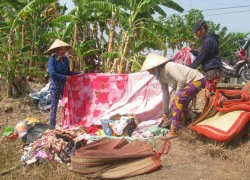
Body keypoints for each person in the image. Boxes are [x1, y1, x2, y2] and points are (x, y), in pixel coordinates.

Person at [141, 53, 205, 138]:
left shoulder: (169, 66)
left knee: (178, 99)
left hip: (197, 80)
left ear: (154, 67)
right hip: (188, 84)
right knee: (178, 104)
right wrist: (165, 111)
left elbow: (182, 80)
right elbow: (165, 92)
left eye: (149, 69)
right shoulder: (160, 76)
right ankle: (184, 125)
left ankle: (174, 131)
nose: (149, 72)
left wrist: (176, 96)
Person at [47, 39, 79, 128]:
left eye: (64, 49)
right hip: (55, 86)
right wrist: (64, 77)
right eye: (62, 49)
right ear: (56, 50)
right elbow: (52, 74)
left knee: (66, 104)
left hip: (64, 86)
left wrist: (79, 73)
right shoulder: (52, 60)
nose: (64, 51)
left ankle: (67, 122)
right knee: (54, 105)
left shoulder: (65, 60)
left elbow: (68, 72)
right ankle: (52, 125)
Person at [190, 19, 222, 96]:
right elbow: (203, 55)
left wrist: (189, 68)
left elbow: (201, 57)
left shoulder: (208, 40)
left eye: (196, 32)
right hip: (214, 71)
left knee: (209, 95)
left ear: (202, 29)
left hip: (212, 71)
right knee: (211, 94)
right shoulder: (209, 39)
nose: (196, 35)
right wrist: (193, 51)